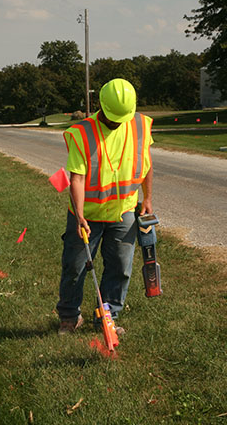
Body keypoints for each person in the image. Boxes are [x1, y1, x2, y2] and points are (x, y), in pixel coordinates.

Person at [57, 78, 154, 335]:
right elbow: (76, 178)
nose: (118, 122)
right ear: (100, 106)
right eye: (114, 117)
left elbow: (147, 164)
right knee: (75, 267)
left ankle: (106, 318)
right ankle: (69, 317)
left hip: (123, 212)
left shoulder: (140, 126)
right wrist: (79, 216)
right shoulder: (82, 133)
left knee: (120, 267)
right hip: (87, 214)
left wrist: (148, 198)